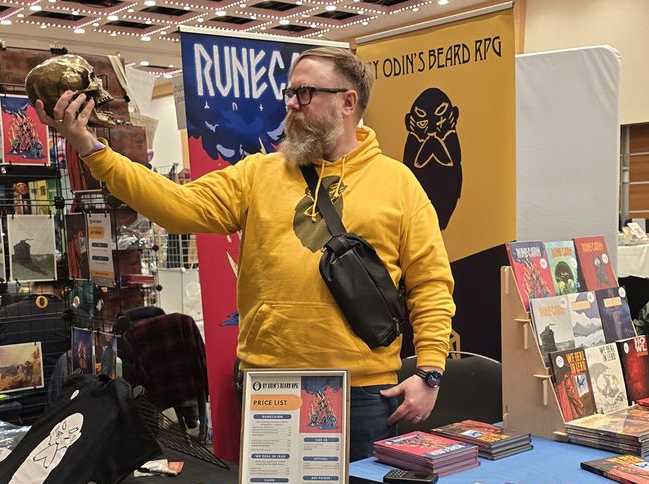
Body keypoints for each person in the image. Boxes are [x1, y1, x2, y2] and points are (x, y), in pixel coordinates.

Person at [36, 47, 455, 460]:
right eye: (290, 92)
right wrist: (91, 148)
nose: (291, 103)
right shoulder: (258, 173)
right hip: (271, 388)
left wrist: (430, 372)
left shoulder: (398, 184)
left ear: (348, 102)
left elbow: (430, 283)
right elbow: (177, 206)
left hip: (362, 392)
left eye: (305, 93)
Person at [0, 282, 71, 402]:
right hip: (62, 400)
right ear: (61, 287)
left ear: (31, 284)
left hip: (17, 401)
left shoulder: (5, 314)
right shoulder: (72, 315)